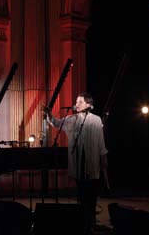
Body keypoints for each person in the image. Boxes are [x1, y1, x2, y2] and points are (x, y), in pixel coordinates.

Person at [45, 93, 108, 235]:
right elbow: (56, 123)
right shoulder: (71, 119)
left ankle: (91, 221)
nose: (77, 104)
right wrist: (49, 114)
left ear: (88, 104)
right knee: (81, 192)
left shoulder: (96, 120)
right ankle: (83, 221)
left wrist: (104, 157)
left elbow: (100, 140)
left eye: (80, 101)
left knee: (91, 193)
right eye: (76, 101)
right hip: (78, 161)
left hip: (92, 162)